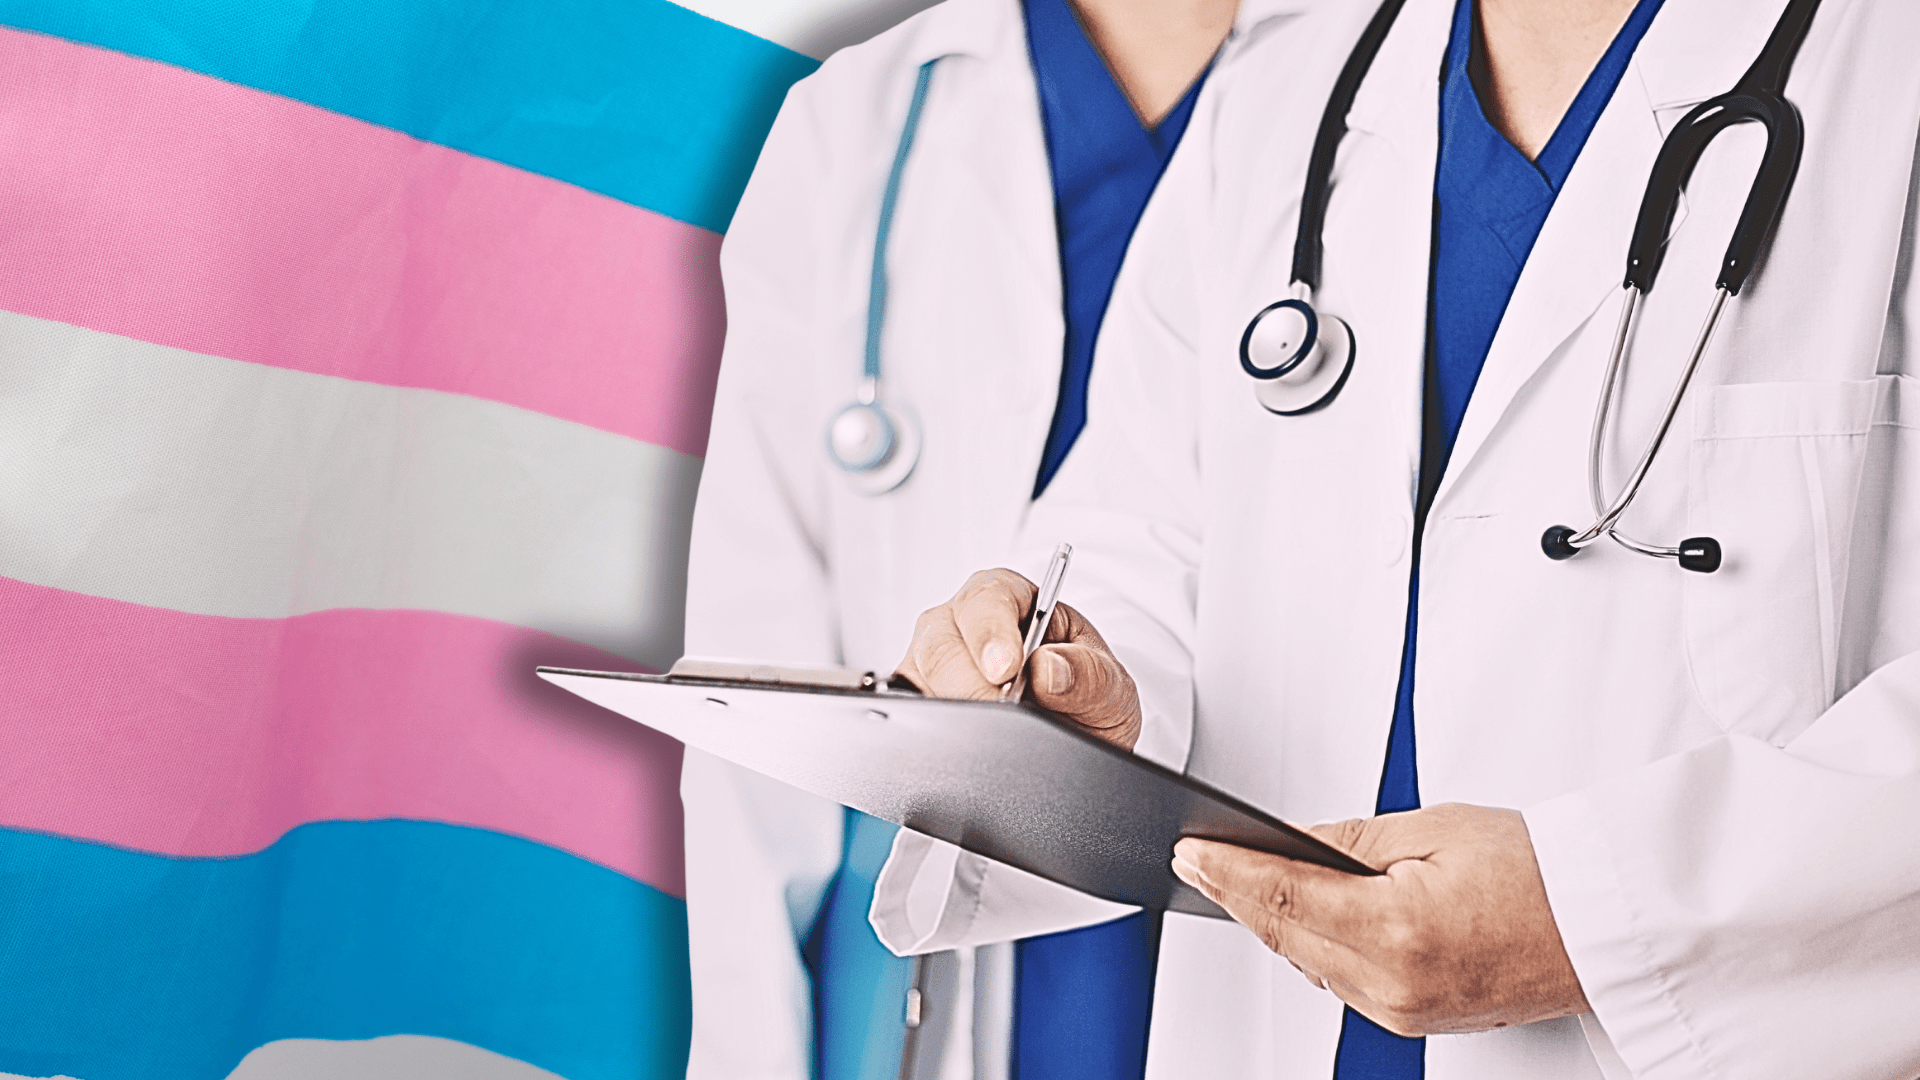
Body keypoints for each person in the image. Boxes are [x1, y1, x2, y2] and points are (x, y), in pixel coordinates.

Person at [874, 0, 1920, 1077]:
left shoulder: (1887, 72)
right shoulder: (1287, 88)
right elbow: (1148, 540)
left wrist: (1606, 914)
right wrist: (1063, 689)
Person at [677, 0, 1236, 1071]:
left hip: (1250, 911)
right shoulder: (862, 119)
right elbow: (755, 689)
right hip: (920, 944)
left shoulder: (1383, 93)